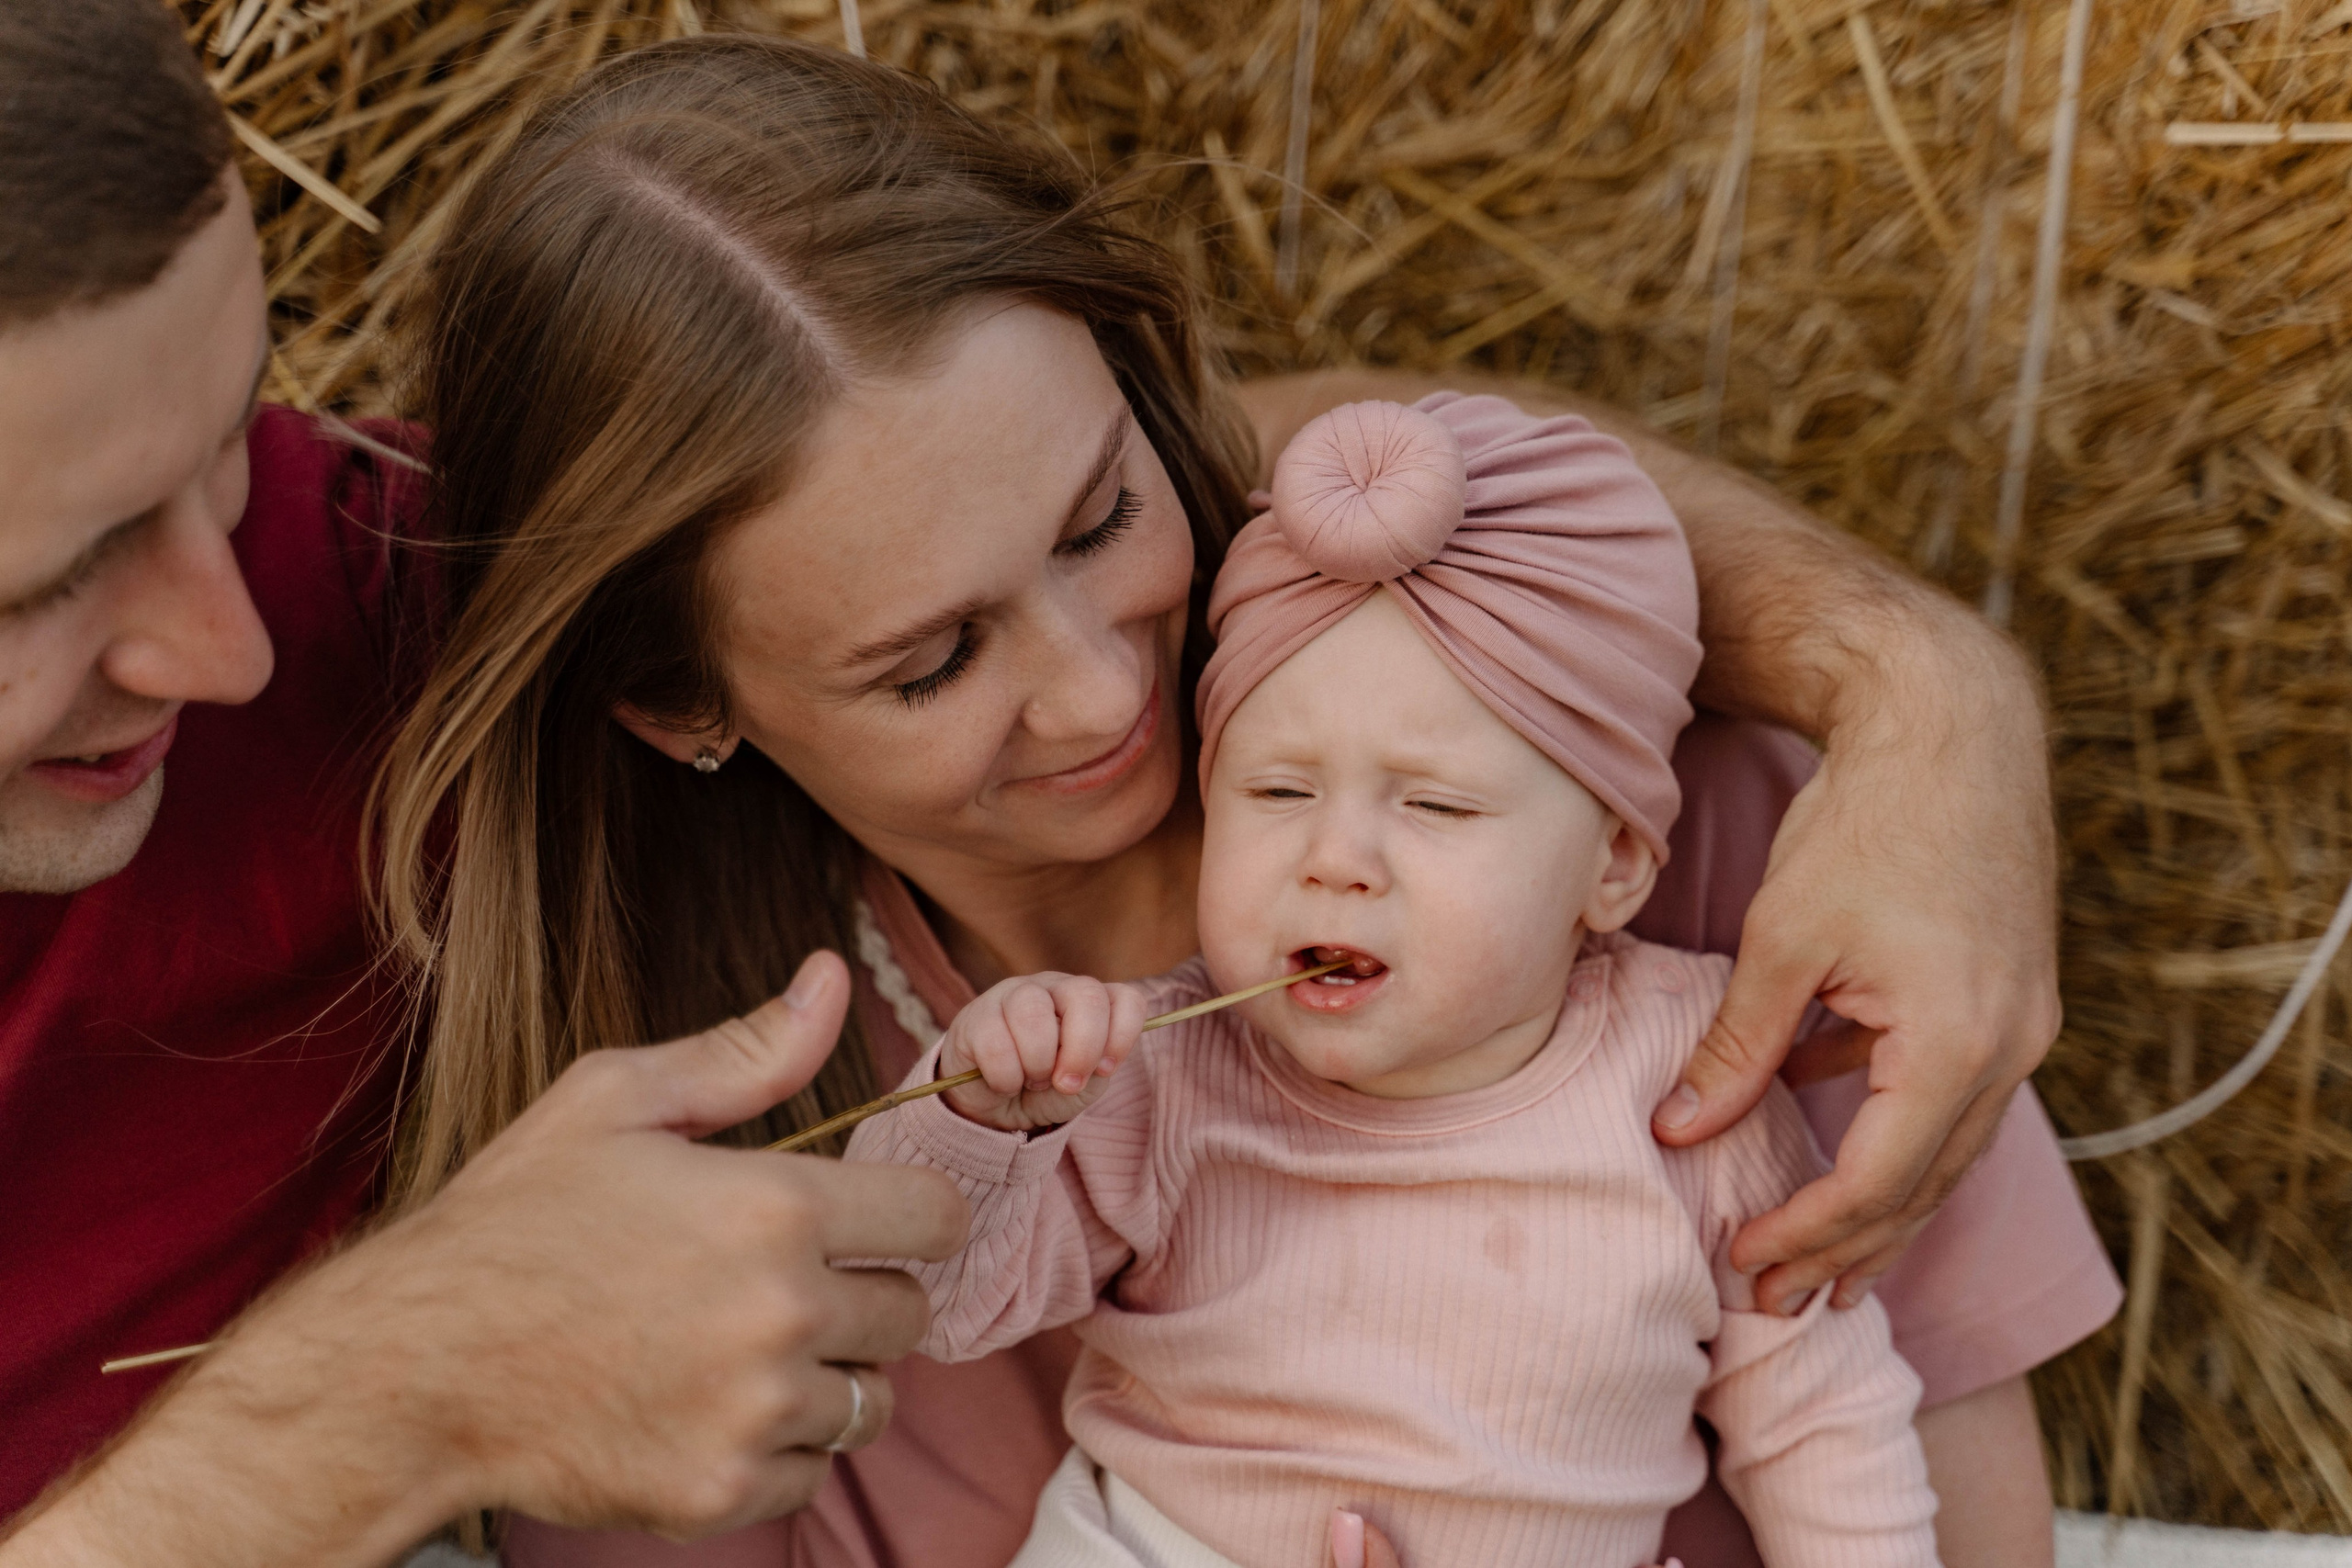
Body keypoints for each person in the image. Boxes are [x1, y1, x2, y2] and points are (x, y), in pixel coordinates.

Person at [377, 35, 2118, 1568]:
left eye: (1100, 517)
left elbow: (1912, 1462)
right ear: (684, 702)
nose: (1105, 692)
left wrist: (1926, 687)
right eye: (932, 660)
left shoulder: (1702, 850)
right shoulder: (693, 1149)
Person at [0, 7, 966, 1564]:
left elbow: (962, 477)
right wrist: (388, 1399)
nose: (232, 648)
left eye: (231, 429)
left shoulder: (364, 609)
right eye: (48, 582)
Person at [848, 394, 1944, 1568]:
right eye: (1278, 792)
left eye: (1434, 805)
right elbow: (938, 1301)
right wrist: (978, 1116)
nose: (1336, 859)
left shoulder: (1687, 1085)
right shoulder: (1161, 1076)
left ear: (1614, 865)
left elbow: (1820, 1417)